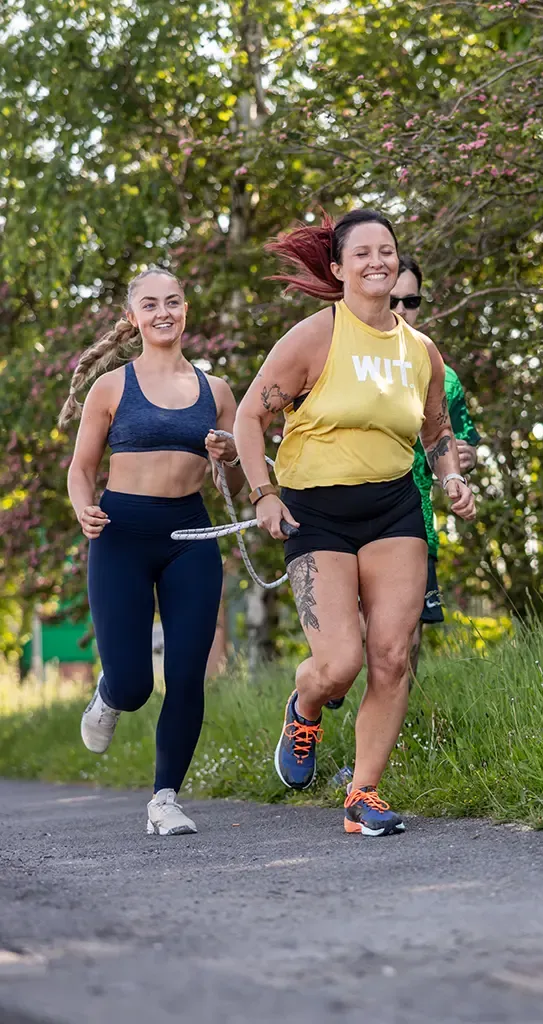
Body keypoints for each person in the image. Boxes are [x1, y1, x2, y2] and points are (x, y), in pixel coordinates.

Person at [233, 210, 476, 837]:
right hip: (316, 514)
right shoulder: (315, 338)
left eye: (388, 251)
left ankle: (363, 794)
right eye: (363, 253)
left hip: (393, 508)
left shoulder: (420, 351)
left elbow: (437, 432)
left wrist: (450, 477)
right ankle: (305, 705)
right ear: (338, 269)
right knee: (339, 664)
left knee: (391, 657)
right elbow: (248, 420)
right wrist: (263, 494)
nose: (379, 262)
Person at [58, 267, 244, 836]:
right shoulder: (112, 386)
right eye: (150, 303)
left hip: (190, 535)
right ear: (133, 317)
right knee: (136, 684)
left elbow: (235, 488)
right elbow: (81, 469)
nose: (163, 311)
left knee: (187, 674)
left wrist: (230, 455)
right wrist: (83, 507)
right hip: (121, 535)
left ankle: (164, 799)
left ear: (186, 310)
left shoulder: (216, 392)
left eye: (173, 301)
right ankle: (109, 695)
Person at [391, 255, 481, 674]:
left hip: (416, 523)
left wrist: (467, 458)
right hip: (348, 521)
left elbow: (464, 441)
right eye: (392, 300)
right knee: (351, 646)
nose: (400, 310)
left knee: (406, 644)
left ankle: (397, 738)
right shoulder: (337, 360)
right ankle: (320, 689)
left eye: (410, 301)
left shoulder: (443, 376)